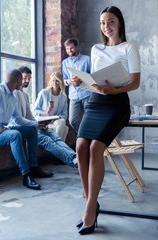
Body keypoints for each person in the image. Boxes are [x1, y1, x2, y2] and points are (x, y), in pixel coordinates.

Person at [76, 6, 141, 235]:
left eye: (111, 22)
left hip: (116, 104)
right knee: (80, 146)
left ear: (119, 23)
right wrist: (80, 82)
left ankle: (90, 209)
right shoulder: (96, 49)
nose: (107, 27)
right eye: (103, 23)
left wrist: (113, 90)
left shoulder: (129, 47)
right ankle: (90, 203)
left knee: (95, 148)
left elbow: (134, 83)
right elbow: (94, 81)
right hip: (95, 102)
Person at [0, 69, 53, 191]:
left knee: (32, 130)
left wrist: (37, 124)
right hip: (1, 133)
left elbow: (19, 119)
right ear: (18, 80)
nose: (23, 83)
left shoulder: (13, 97)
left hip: (4, 131)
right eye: (22, 80)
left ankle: (34, 166)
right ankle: (26, 175)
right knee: (15, 135)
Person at [11, 66, 77, 168]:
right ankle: (72, 160)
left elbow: (29, 115)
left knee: (53, 134)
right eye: (25, 78)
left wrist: (39, 125)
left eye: (29, 78)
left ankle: (74, 156)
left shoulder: (24, 95)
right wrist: (38, 121)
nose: (27, 81)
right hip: (19, 127)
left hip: (31, 125)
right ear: (18, 78)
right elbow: (17, 120)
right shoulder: (13, 94)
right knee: (47, 139)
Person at [62, 38, 91, 132]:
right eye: (67, 49)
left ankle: (90, 140)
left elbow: (93, 76)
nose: (69, 51)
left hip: (87, 94)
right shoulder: (65, 62)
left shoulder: (87, 59)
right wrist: (69, 81)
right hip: (73, 96)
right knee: (72, 121)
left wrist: (82, 79)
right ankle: (85, 136)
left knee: (90, 119)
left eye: (71, 48)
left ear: (76, 47)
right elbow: (64, 80)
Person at [34, 71, 68, 141]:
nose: (54, 83)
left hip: (56, 120)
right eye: (53, 80)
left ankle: (56, 145)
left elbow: (65, 114)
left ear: (61, 82)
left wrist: (57, 118)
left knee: (62, 122)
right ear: (50, 81)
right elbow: (35, 110)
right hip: (44, 120)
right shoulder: (44, 93)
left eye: (57, 81)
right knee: (65, 128)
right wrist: (46, 111)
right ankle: (59, 146)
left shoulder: (63, 97)